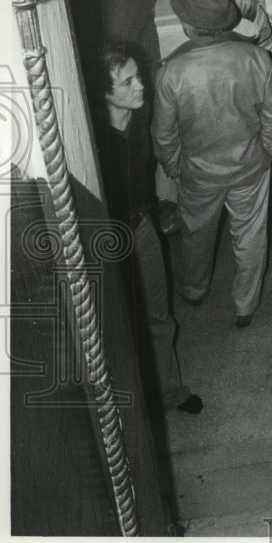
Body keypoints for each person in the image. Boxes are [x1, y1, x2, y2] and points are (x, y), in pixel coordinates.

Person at [151, 0, 272, 328]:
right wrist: (265, 150)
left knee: (196, 236)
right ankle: (246, 305)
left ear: (187, 26)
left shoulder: (171, 73)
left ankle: (194, 291)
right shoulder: (256, 58)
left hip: (198, 175)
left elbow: (163, 136)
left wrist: (174, 168)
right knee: (251, 239)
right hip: (250, 168)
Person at [93, 40, 201, 415]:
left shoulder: (142, 118)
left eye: (138, 76)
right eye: (127, 82)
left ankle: (170, 390)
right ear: (104, 92)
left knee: (158, 311)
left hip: (141, 225)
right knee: (115, 324)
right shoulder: (92, 140)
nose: (140, 86)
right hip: (102, 238)